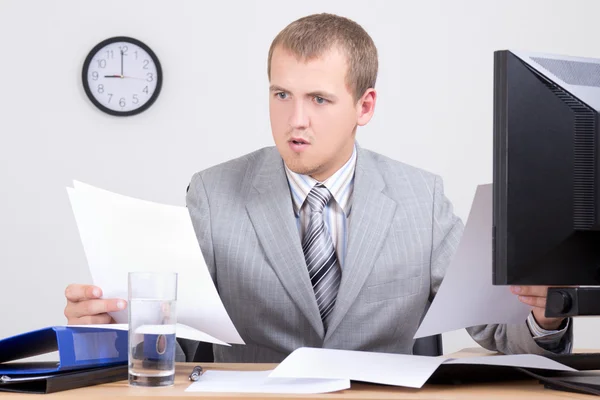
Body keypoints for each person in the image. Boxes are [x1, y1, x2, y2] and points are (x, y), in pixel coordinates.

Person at [64, 13, 572, 362]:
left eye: (320, 99)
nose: (296, 119)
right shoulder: (214, 194)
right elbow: (166, 343)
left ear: (365, 107)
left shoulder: (422, 198)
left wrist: (545, 314)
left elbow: (498, 332)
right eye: (281, 94)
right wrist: (111, 327)